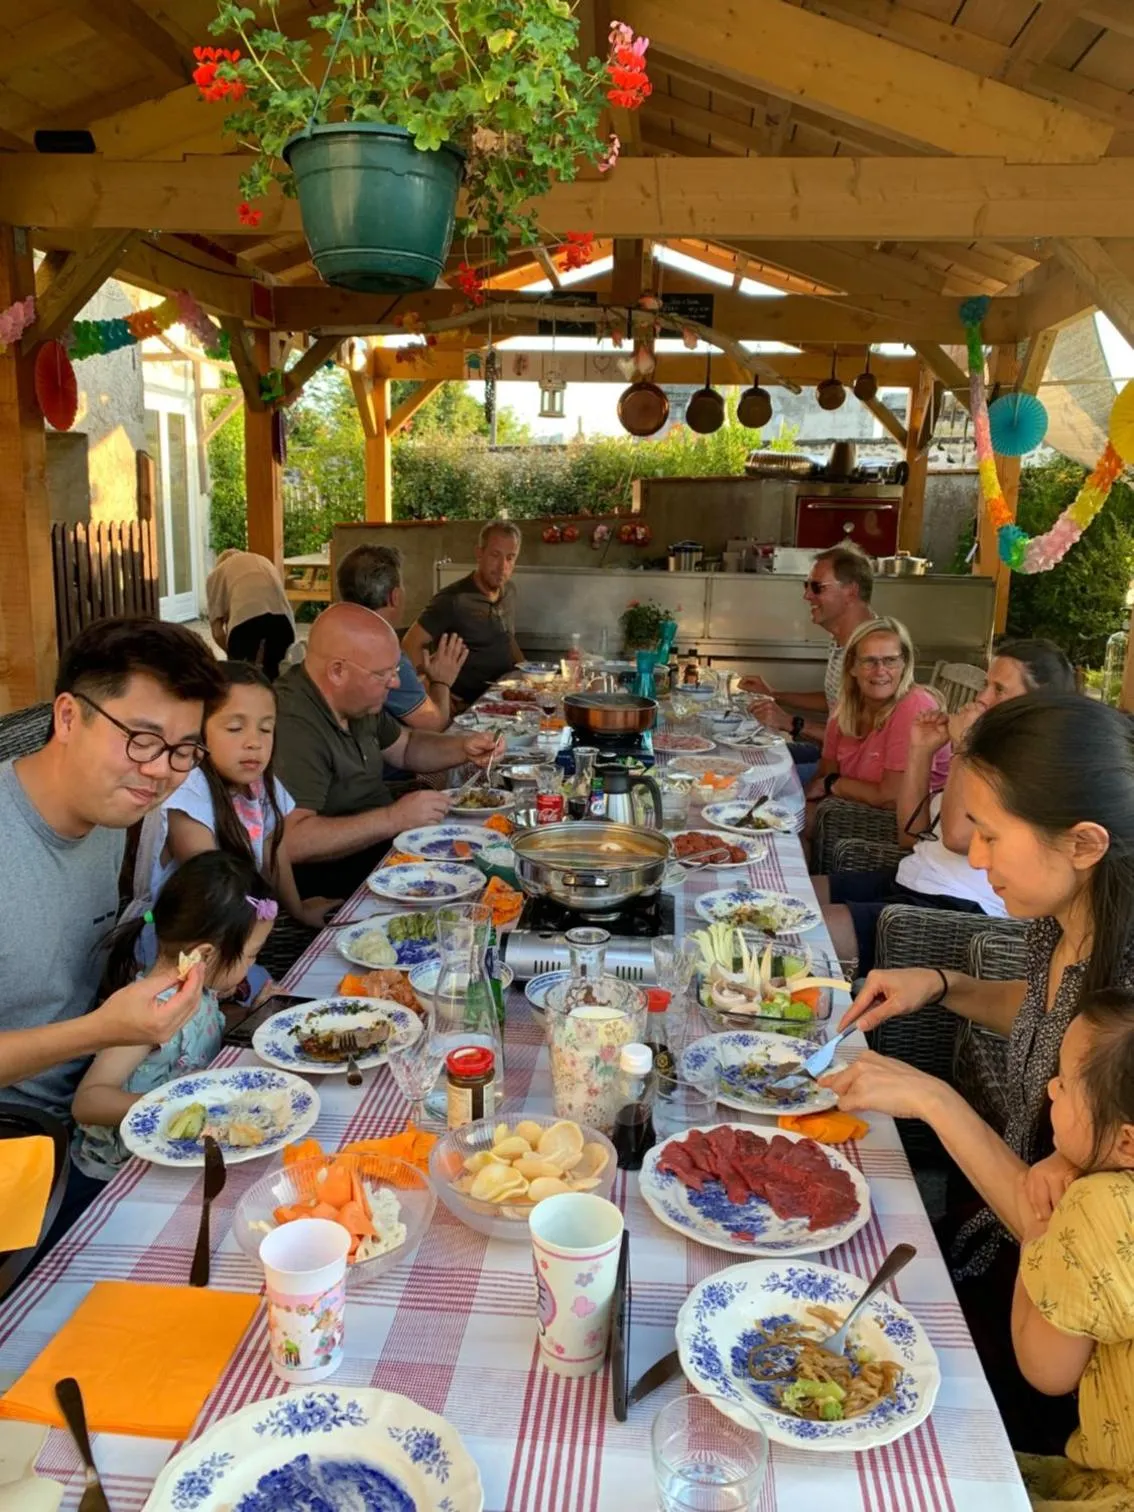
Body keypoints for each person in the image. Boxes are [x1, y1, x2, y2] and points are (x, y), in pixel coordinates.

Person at [822, 693, 1134, 1454]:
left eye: (992, 835)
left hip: (1061, 1371)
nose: (976, 857)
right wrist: (942, 983)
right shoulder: (1065, 923)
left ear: (1084, 843)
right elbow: (1044, 1010)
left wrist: (933, 1098)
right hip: (988, 1244)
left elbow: (1070, 1237)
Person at [815, 639, 1076, 974]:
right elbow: (910, 836)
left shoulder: (1036, 769)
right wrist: (920, 750)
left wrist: (963, 749)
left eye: (999, 689)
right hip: (912, 879)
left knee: (794, 931)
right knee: (787, 897)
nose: (982, 697)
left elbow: (957, 837)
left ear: (1036, 702)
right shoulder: (994, 751)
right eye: (985, 685)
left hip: (953, 909)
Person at [71, 853, 278, 1180]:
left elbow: (199, 1043)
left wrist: (252, 1016)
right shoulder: (146, 1013)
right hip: (123, 1167)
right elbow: (88, 1102)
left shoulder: (200, 992)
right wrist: (173, 1104)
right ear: (205, 955)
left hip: (181, 1144)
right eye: (252, 954)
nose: (253, 964)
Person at [274, 602, 501, 897]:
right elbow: (291, 841)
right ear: (337, 671)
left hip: (386, 855)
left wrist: (464, 747)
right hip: (341, 882)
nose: (394, 682)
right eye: (384, 673)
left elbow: (406, 748)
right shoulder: (293, 723)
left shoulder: (356, 702)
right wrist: (393, 818)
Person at [1010, 990, 1134, 1511]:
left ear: (1127, 1143)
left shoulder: (1096, 1209)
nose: (1051, 1087)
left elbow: (1044, 1369)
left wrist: (1043, 1221)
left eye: (1065, 1082)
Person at [132, 661, 336, 931]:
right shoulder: (187, 792)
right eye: (235, 728)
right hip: (182, 943)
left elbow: (271, 846)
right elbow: (213, 888)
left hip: (235, 931)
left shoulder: (258, 782)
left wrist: (297, 908)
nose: (254, 742)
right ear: (199, 731)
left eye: (265, 729)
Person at [740, 542, 876, 776]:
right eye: (806, 586)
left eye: (817, 587)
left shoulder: (874, 653)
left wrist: (793, 723)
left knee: (749, 774)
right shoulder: (843, 640)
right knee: (742, 755)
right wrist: (775, 695)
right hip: (829, 754)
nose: (807, 595)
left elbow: (864, 742)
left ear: (850, 591)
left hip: (851, 772)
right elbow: (836, 700)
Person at [803, 616, 949, 814]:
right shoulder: (845, 706)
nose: (880, 671)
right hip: (850, 810)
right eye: (869, 661)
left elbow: (891, 797)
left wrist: (835, 784)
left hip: (894, 826)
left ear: (905, 663)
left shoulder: (914, 707)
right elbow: (825, 772)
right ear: (852, 667)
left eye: (890, 660)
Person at [336, 542, 468, 730]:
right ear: (394, 597)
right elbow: (435, 725)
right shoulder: (386, 654)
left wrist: (425, 678)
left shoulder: (332, 641)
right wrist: (442, 682)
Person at [402, 519, 524, 705]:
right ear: (479, 554)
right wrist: (432, 686)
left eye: (510, 557)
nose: (502, 567)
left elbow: (508, 637)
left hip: (504, 698)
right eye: (495, 555)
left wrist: (527, 673)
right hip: (467, 706)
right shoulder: (453, 600)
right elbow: (410, 644)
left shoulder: (510, 592)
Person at [206, 548, 296, 679]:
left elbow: (218, 633)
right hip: (282, 620)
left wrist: (233, 656)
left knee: (241, 678)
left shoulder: (217, 574)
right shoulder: (262, 560)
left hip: (245, 618)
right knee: (274, 676)